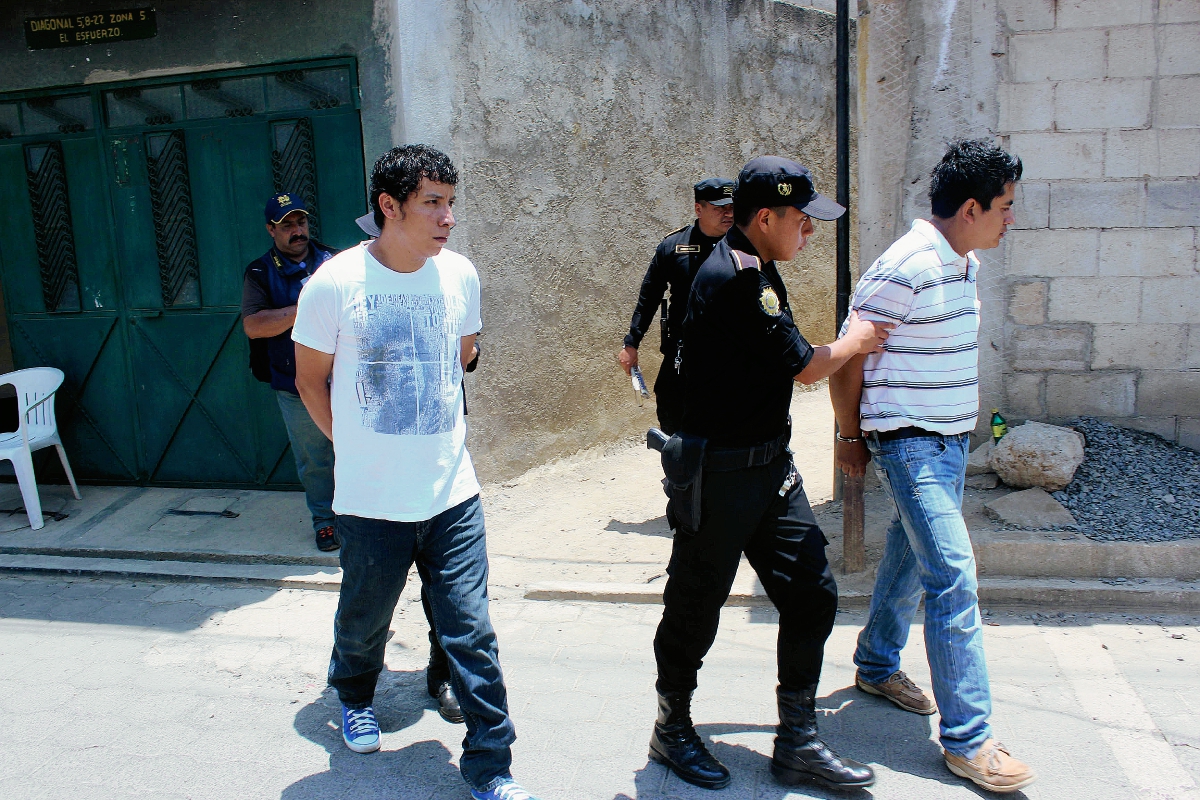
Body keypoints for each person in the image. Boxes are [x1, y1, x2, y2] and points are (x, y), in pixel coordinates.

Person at [292, 144, 540, 800]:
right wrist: (354, 448)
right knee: (365, 617)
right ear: (389, 207)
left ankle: (492, 767)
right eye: (433, 202)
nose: (447, 217)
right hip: (371, 501)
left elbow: (462, 356)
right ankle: (353, 694)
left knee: (469, 627)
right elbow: (308, 380)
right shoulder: (334, 284)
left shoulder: (458, 276)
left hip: (452, 493)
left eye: (451, 203)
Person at [649, 156, 892, 791]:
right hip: (721, 476)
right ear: (766, 217)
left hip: (769, 472)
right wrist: (859, 338)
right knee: (695, 606)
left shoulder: (759, 267)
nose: (811, 232)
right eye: (803, 220)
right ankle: (672, 728)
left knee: (812, 595)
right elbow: (806, 365)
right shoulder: (732, 277)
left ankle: (798, 740)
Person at [830, 138, 1035, 794]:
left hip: (947, 442)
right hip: (911, 444)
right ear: (970, 207)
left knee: (909, 554)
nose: (1011, 218)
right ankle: (969, 740)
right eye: (1004, 207)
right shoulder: (909, 264)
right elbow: (849, 357)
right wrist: (849, 436)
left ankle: (876, 662)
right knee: (952, 574)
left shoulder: (963, 260)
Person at [242, 193, 339, 552]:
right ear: (271, 230)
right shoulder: (259, 272)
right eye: (287, 225)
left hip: (344, 379)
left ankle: (363, 520)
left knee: (355, 450)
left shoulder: (334, 261)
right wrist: (303, 309)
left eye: (301, 223)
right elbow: (253, 325)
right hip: (296, 385)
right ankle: (326, 522)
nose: (297, 231)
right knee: (314, 458)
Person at [618, 178, 734, 433]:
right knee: (671, 412)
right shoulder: (673, 248)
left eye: (731, 207)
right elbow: (648, 297)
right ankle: (677, 468)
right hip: (684, 353)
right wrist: (631, 342)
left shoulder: (744, 247)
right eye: (719, 208)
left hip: (730, 354)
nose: (728, 214)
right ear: (698, 209)